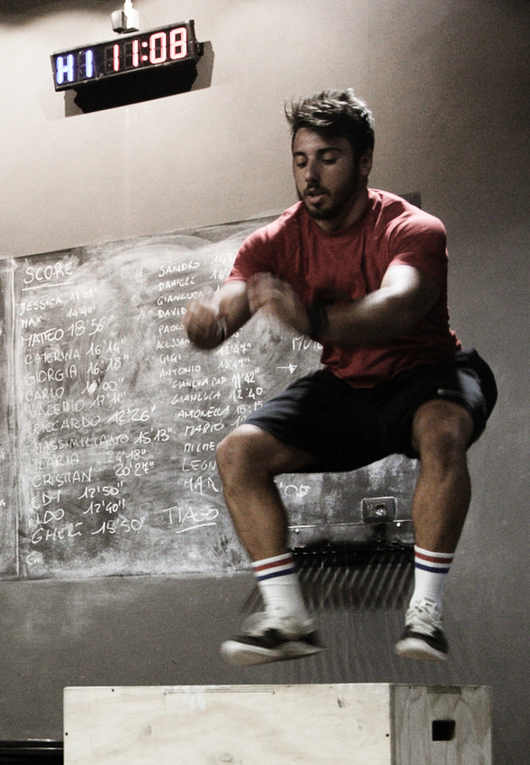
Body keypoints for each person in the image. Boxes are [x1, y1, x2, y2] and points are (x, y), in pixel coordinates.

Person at [183, 89, 496, 666]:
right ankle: (287, 619)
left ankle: (424, 616)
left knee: (443, 429)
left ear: (364, 161)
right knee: (237, 455)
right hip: (348, 388)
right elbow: (229, 306)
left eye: (328, 158)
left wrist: (314, 318)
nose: (311, 175)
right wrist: (208, 327)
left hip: (426, 375)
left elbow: (397, 308)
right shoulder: (277, 240)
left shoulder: (413, 228)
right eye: (301, 161)